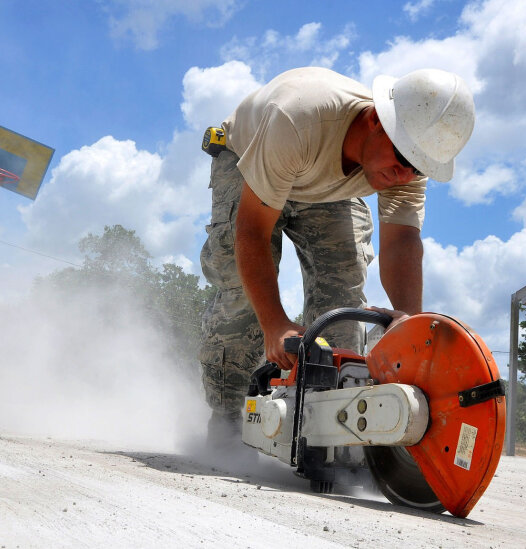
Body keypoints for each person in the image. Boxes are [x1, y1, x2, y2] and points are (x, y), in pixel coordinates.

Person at [198, 66, 475, 443]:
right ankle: (228, 425)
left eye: (417, 168)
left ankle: (327, 430)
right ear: (377, 120)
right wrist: (276, 323)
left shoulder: (408, 158)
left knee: (342, 300)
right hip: (252, 158)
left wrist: (409, 322)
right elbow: (252, 231)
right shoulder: (297, 119)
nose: (404, 175)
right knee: (245, 299)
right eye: (401, 160)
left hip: (326, 184)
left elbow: (401, 241)